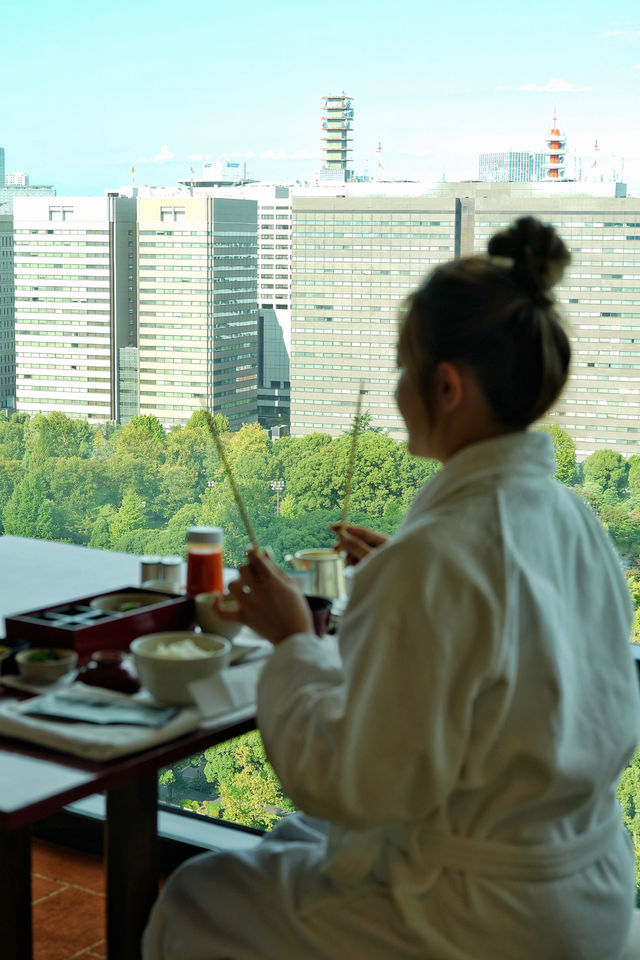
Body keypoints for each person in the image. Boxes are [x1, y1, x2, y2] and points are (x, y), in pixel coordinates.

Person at [143, 217, 640, 960]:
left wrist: (294, 638)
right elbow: (515, 653)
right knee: (288, 847)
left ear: (446, 386)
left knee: (193, 901)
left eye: (405, 369)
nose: (398, 389)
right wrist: (399, 580)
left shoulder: (438, 556)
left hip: (485, 918)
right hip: (590, 889)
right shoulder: (572, 519)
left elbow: (353, 785)